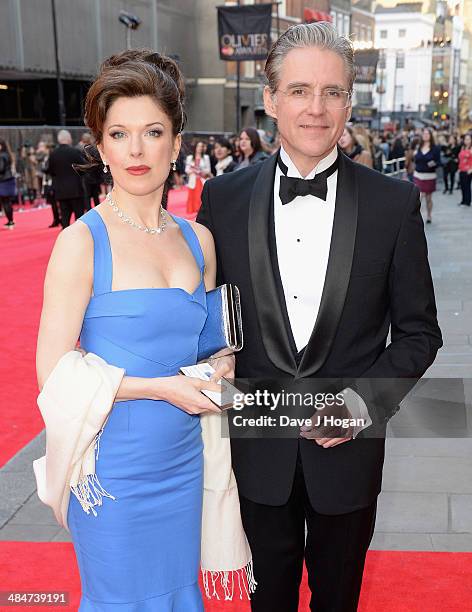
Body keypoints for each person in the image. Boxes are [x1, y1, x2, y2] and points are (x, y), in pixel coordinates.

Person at [197, 22, 441, 612]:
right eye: (300, 90)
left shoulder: (393, 202)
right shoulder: (221, 200)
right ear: (272, 100)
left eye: (332, 92)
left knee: (339, 601)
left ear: (349, 101)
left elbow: (419, 332)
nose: (316, 108)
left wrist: (361, 403)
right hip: (257, 449)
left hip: (350, 455)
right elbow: (208, 320)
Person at [36, 49, 225, 611]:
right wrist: (159, 388)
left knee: (177, 595)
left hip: (184, 462)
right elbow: (52, 370)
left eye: (152, 131)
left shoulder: (199, 241)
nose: (136, 150)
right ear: (100, 146)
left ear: (176, 141)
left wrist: (222, 366)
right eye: (119, 134)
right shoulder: (81, 242)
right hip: (112, 467)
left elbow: (211, 343)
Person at [46, 130, 85, 228]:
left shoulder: (53, 154)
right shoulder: (75, 152)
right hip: (75, 189)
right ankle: (80, 238)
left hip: (60, 190)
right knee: (79, 216)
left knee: (65, 217)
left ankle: (65, 238)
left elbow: (50, 170)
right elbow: (84, 167)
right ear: (69, 139)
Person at [413, 128, 441, 224]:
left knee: (428, 198)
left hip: (429, 175)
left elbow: (439, 162)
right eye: (424, 134)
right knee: (418, 197)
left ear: (430, 136)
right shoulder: (419, 147)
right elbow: (415, 159)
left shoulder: (435, 148)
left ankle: (429, 215)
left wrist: (433, 164)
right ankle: (417, 216)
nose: (425, 135)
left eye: (427, 134)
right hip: (418, 175)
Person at [185, 141, 211, 214]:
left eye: (201, 146)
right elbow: (186, 170)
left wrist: (201, 171)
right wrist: (193, 170)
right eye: (198, 146)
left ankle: (201, 212)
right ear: (195, 147)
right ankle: (192, 211)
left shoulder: (206, 157)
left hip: (202, 179)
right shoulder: (189, 157)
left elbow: (208, 170)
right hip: (193, 180)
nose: (200, 148)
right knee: (192, 196)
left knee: (201, 196)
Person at [0, 139, 17, 228]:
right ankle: (10, 221)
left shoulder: (2, 155)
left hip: (3, 181)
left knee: (5, 202)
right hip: (8, 180)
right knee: (7, 202)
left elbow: (1, 168)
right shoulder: (7, 154)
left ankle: (10, 221)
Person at [458, 133, 472, 207]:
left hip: (468, 170)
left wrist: (471, 169)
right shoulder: (463, 147)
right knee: (462, 186)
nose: (466, 141)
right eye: (465, 139)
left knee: (467, 186)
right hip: (461, 170)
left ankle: (467, 201)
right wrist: (459, 168)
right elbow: (460, 158)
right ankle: (463, 201)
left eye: (468, 139)